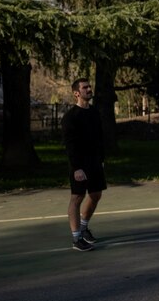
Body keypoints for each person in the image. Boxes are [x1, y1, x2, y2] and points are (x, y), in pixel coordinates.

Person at [62, 78, 106, 252]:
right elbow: (69, 145)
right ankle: (76, 238)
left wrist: (101, 159)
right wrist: (76, 168)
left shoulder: (94, 112)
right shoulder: (70, 117)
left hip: (95, 162)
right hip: (79, 164)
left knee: (96, 195)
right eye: (85, 87)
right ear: (76, 93)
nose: (89, 89)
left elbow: (99, 138)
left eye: (89, 86)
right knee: (77, 198)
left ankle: (83, 226)